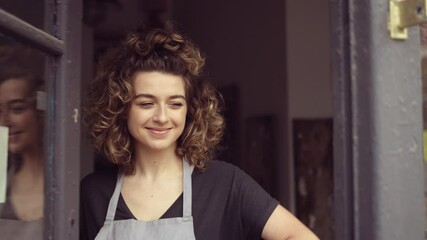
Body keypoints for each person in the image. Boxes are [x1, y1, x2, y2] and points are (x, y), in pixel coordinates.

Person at [80, 27, 319, 240]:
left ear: (190, 110)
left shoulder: (225, 184)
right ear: (121, 108)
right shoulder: (93, 193)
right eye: (146, 103)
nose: (162, 117)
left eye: (175, 104)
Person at [0, 45, 45, 240]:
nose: (5, 122)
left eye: (17, 109)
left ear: (39, 111)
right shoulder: (2, 182)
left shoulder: (69, 181)